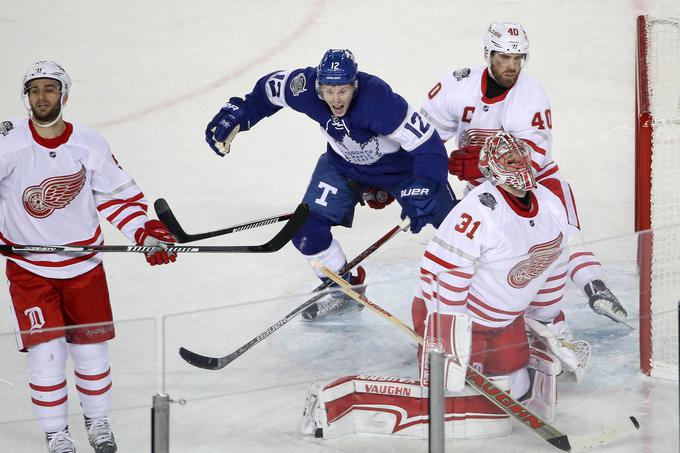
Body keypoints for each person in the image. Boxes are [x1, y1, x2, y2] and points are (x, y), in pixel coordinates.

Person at [418, 21, 626, 374]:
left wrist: (478, 165)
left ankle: (579, 304)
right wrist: (418, 174)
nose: (511, 65)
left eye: (518, 57)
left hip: (538, 184)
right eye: (503, 56)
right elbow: (424, 137)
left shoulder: (530, 95)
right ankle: (510, 324)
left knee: (558, 244)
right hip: (489, 189)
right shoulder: (458, 86)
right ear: (488, 54)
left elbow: (528, 161)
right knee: (502, 261)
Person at [0, 60, 177, 453]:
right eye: (34, 90)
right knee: (46, 356)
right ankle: (57, 435)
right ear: (26, 97)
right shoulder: (8, 142)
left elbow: (117, 199)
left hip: (84, 269)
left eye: (49, 89)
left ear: (65, 94)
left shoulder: (89, 144)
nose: (41, 97)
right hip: (30, 271)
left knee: (92, 353)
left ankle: (97, 423)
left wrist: (144, 231)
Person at [205, 49, 457, 319]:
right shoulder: (303, 87)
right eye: (329, 90)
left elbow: (427, 145)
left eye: (343, 90)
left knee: (455, 226)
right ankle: (343, 290)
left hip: (401, 171)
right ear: (318, 87)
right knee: (305, 231)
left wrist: (424, 186)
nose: (336, 99)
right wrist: (240, 113)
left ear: (355, 85)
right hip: (344, 167)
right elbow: (269, 90)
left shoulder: (380, 102)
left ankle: (484, 288)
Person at [413, 131, 571, 419]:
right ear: (491, 169)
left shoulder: (549, 202)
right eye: (509, 160)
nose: (519, 164)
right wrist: (449, 333)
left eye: (520, 155)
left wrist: (545, 318)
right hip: (461, 319)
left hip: (505, 320)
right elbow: (440, 269)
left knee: (517, 384)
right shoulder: (479, 209)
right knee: (458, 392)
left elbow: (556, 262)